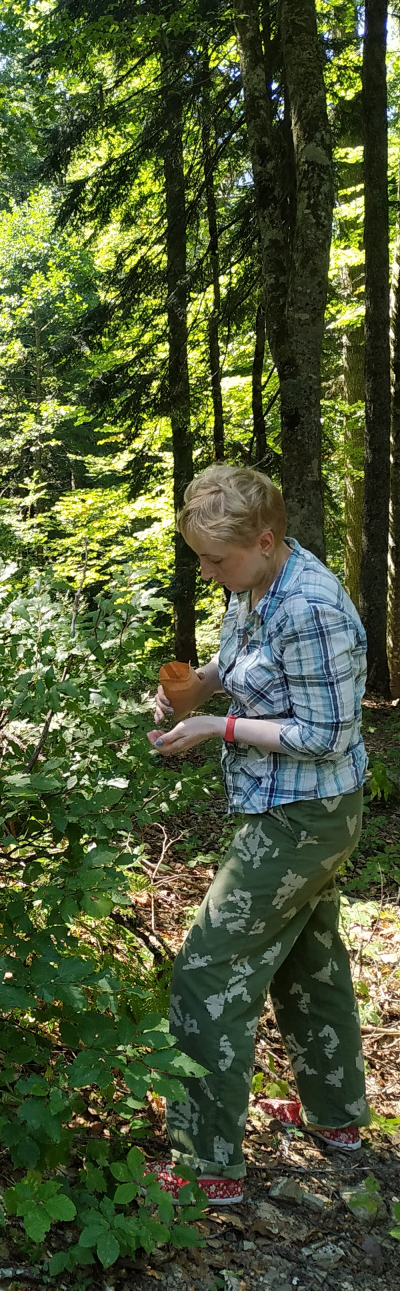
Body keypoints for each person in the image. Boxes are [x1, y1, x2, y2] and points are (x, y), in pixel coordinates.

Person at [146, 464, 369, 1205]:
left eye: (216, 559)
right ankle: (335, 1118)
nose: (207, 573)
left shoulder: (311, 608)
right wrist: (201, 686)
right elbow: (244, 664)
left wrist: (219, 725)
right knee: (307, 957)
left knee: (208, 971)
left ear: (266, 540)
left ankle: (206, 1164)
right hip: (288, 808)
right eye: (201, 558)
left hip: (304, 816)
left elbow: (329, 733)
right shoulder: (254, 590)